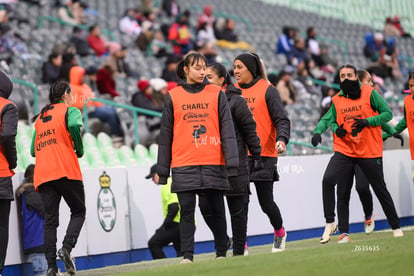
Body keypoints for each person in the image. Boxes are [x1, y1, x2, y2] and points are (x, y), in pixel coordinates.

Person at [157, 53, 239, 263]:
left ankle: (221, 252)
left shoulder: (216, 93)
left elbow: (227, 129)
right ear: (186, 69)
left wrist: (231, 162)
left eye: (204, 68)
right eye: (197, 68)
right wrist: (163, 170)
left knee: (217, 209)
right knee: (187, 211)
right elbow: (165, 135)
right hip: (184, 162)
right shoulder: (173, 96)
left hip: (213, 160)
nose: (202, 71)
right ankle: (187, 256)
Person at [310, 64, 402, 243]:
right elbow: (329, 119)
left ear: (356, 78)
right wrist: (318, 132)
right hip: (345, 150)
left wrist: (367, 122)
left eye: (349, 75)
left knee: (379, 189)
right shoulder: (337, 99)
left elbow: (387, 114)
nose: (345, 78)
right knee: (331, 182)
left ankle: (396, 226)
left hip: (368, 151)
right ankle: (338, 228)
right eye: (342, 76)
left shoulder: (370, 93)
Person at [199, 62, 263, 256]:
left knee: (237, 210)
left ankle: (238, 253)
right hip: (210, 164)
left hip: (236, 163)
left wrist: (257, 155)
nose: (205, 81)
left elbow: (250, 130)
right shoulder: (202, 101)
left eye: (209, 77)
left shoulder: (236, 101)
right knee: (205, 207)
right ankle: (223, 239)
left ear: (221, 80)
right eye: (204, 77)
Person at [233, 52, 291, 252]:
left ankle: (279, 232)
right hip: (240, 156)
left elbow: (281, 120)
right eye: (234, 67)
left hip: (264, 155)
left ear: (250, 68)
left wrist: (281, 139)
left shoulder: (268, 90)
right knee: (241, 202)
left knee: (266, 203)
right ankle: (242, 245)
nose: (236, 71)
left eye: (240, 67)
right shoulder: (232, 92)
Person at [31, 80, 85, 276]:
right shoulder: (70, 110)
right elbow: (73, 125)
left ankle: (51, 267)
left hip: (43, 174)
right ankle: (67, 248)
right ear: (66, 94)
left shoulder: (40, 117)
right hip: (64, 169)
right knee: (78, 211)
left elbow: (32, 150)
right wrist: (78, 148)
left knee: (50, 220)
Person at [15, 164, 48, 276]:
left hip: (35, 239)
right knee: (41, 271)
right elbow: (47, 210)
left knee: (43, 270)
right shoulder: (31, 193)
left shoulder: (26, 191)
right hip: (37, 239)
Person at [0, 69, 17, 276]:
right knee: (1, 226)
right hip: (1, 172)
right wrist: (13, 161)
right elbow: (7, 137)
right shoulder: (7, 106)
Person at [146, 164, 181, 259]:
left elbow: (174, 207)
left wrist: (164, 226)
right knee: (182, 253)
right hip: (186, 223)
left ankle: (163, 266)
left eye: (153, 177)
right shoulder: (173, 181)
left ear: (158, 174)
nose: (152, 180)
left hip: (176, 223)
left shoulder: (166, 185)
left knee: (153, 243)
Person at [383, 72, 414, 158]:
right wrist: (386, 134)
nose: (413, 89)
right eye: (411, 86)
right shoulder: (407, 101)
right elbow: (404, 123)